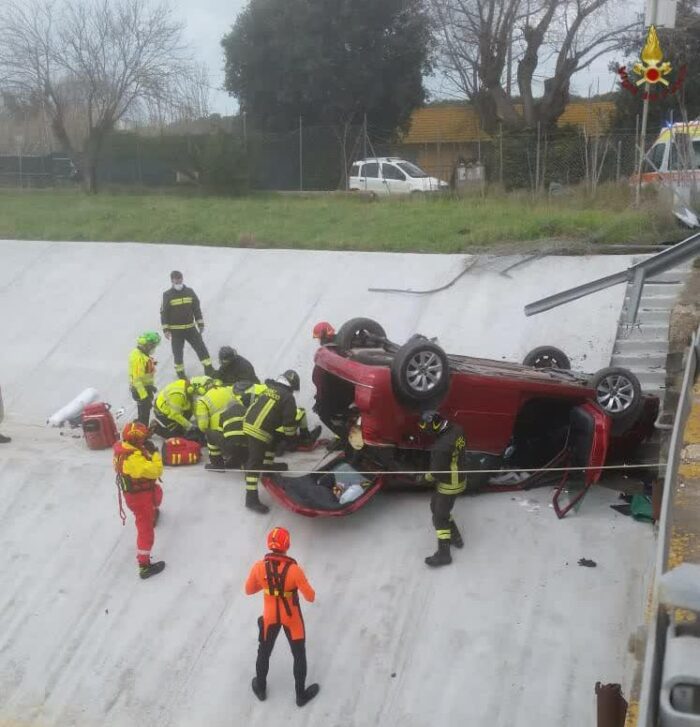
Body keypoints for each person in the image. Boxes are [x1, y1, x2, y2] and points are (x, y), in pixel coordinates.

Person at [245, 526, 320, 707]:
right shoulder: (294, 570)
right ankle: (300, 695)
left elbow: (248, 590)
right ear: (287, 545)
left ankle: (261, 688)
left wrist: (266, 586)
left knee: (263, 652)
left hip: (270, 616)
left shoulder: (259, 567)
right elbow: (310, 597)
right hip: (292, 617)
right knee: (298, 655)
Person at [241, 371, 300, 514]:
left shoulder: (270, 390)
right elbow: (289, 424)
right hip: (259, 430)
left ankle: (267, 470)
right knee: (254, 463)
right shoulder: (288, 398)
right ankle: (251, 499)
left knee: (273, 440)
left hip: (249, 424)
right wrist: (292, 441)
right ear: (292, 386)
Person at [113, 421, 165, 579]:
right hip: (139, 498)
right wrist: (155, 454)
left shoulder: (125, 448)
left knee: (157, 493)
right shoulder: (133, 459)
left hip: (139, 494)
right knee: (145, 531)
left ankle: (153, 513)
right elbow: (156, 471)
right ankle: (144, 565)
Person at [418, 410, 466, 567]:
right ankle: (456, 538)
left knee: (439, 517)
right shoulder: (457, 429)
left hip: (448, 484)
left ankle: (444, 555)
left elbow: (436, 473)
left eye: (428, 430)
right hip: (460, 476)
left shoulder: (441, 447)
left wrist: (421, 479)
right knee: (436, 507)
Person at [160, 270, 215, 379]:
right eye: (176, 279)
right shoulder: (167, 295)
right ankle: (181, 374)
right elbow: (163, 313)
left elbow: (196, 308)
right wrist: (166, 330)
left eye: (179, 278)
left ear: (182, 278)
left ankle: (209, 369)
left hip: (191, 328)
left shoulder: (190, 292)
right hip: (176, 331)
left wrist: (200, 323)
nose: (178, 281)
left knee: (201, 348)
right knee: (178, 353)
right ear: (172, 280)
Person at [193, 380, 240, 470]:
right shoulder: (229, 391)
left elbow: (203, 426)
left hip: (224, 437)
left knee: (210, 433)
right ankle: (235, 460)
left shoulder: (203, 401)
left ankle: (217, 464)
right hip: (241, 432)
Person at [151, 376, 210, 443]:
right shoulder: (178, 395)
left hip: (176, 407)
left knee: (189, 410)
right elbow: (174, 415)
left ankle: (182, 425)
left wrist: (201, 421)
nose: (196, 395)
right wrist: (189, 426)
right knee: (178, 436)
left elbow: (194, 406)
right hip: (163, 412)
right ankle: (156, 428)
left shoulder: (187, 385)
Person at [129, 331, 160, 425]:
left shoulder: (141, 353)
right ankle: (142, 430)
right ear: (147, 345)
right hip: (140, 390)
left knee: (142, 411)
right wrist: (144, 396)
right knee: (145, 411)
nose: (154, 348)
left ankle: (140, 425)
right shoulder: (139, 358)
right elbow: (137, 380)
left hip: (145, 387)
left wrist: (150, 386)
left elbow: (144, 372)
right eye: (153, 346)